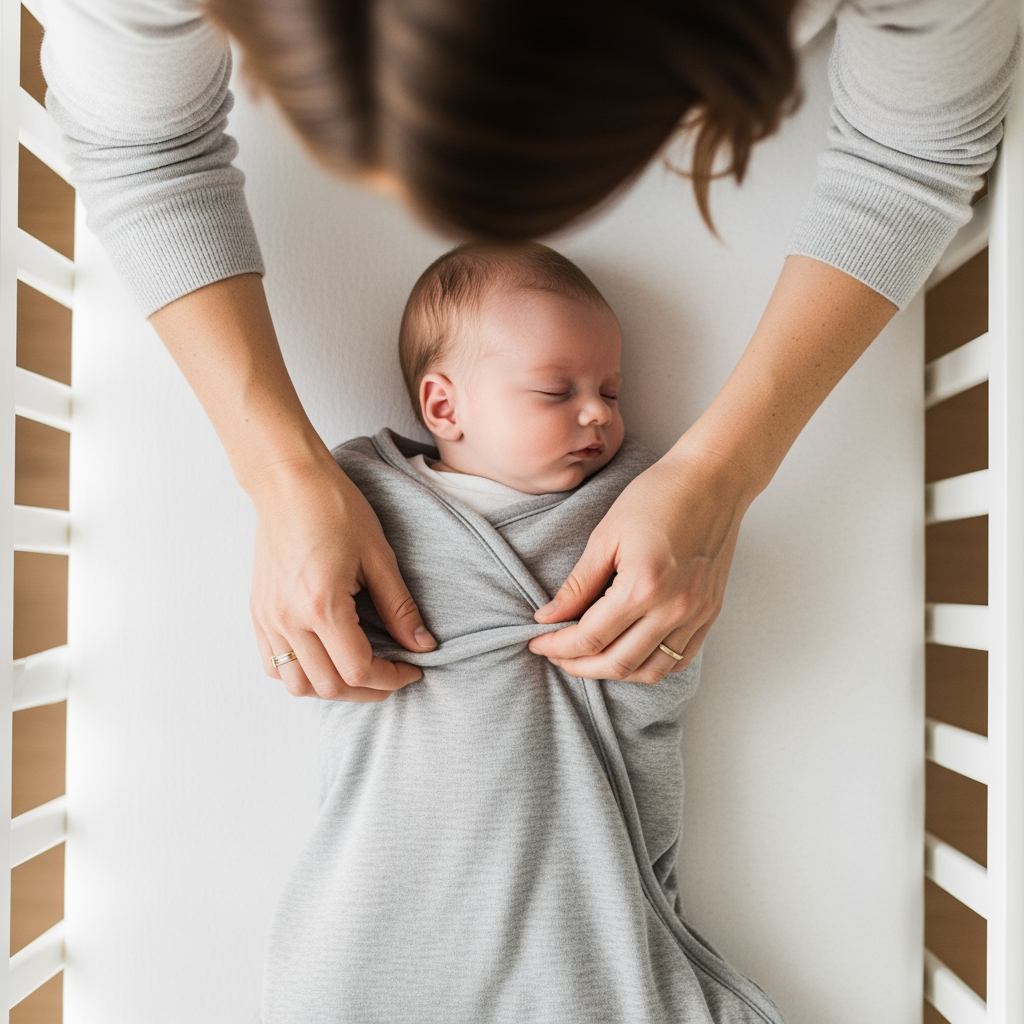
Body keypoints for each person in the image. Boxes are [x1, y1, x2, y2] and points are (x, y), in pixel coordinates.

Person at [41, 0, 1019, 697]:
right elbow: (139, 142)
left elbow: (915, 150)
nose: (598, 414)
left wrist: (726, 470)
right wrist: (277, 470)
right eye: (553, 388)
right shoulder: (389, 483)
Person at [262, 240, 783, 1022]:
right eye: (555, 390)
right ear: (445, 408)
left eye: (611, 389)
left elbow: (662, 638)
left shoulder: (635, 500)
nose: (598, 413)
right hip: (398, 840)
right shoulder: (367, 498)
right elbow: (316, 607)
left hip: (578, 817)